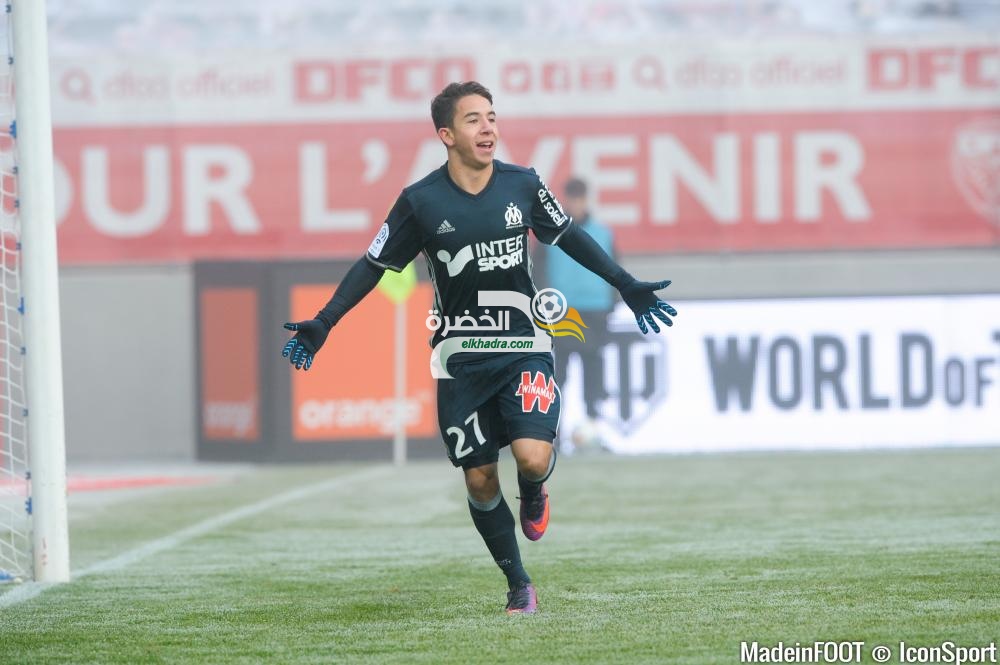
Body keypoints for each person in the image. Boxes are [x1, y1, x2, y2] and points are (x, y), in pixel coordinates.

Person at [281, 81, 676, 615]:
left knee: (532, 458)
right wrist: (326, 321)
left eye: (492, 117)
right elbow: (373, 264)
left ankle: (534, 490)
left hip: (524, 343)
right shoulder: (420, 202)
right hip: (460, 357)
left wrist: (625, 284)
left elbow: (569, 236)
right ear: (446, 135)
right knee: (480, 475)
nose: (488, 127)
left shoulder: (523, 184)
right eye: (473, 119)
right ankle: (518, 582)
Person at [542, 177, 616, 451]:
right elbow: (538, 273)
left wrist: (611, 305)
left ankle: (593, 434)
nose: (575, 204)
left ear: (586, 200)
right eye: (571, 199)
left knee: (594, 377)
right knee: (559, 378)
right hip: (562, 313)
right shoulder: (549, 233)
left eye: (580, 198)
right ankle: (554, 438)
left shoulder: (603, 233)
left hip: (595, 313)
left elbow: (614, 269)